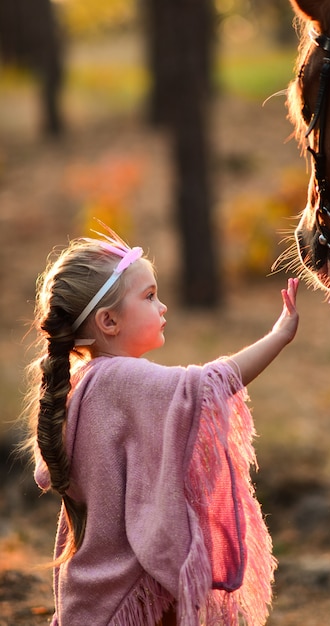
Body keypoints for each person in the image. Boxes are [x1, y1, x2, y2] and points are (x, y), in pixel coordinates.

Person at [23, 224, 299, 626]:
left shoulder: (88, 381)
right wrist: (279, 336)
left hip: (94, 588)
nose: (163, 306)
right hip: (130, 587)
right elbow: (206, 385)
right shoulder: (119, 380)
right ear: (108, 322)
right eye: (150, 296)